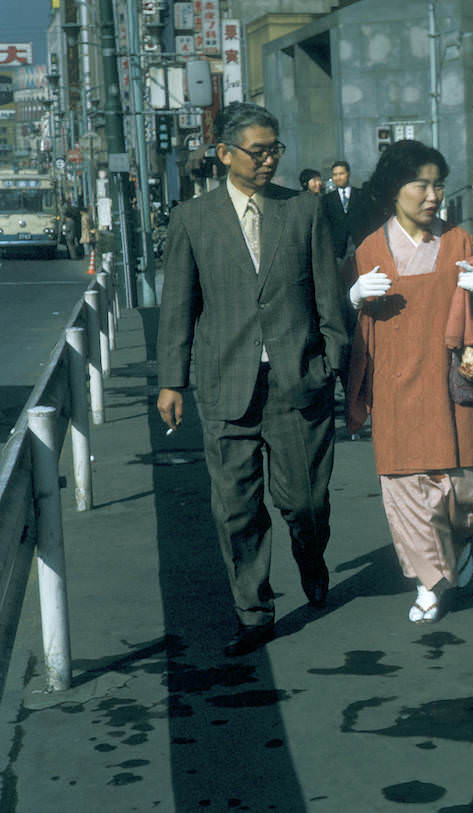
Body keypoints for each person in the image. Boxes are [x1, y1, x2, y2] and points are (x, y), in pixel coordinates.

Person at [156, 102, 349, 656]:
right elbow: (178, 307)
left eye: (275, 149)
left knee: (306, 502)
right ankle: (254, 611)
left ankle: (311, 558)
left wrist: (333, 358)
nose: (269, 160)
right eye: (258, 151)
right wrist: (173, 380)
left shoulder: (305, 210)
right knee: (236, 508)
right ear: (225, 154)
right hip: (226, 384)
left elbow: (328, 295)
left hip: (298, 381)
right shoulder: (193, 220)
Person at [342, 140, 473, 623]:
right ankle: (428, 583)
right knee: (404, 487)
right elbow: (336, 320)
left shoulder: (459, 243)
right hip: (395, 384)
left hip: (452, 383)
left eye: (438, 183)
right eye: (421, 183)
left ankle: (456, 550)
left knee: (460, 491)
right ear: (394, 190)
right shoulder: (371, 249)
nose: (433, 194)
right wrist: (352, 297)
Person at [321, 159, 360, 259]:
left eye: (341, 174)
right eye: (335, 175)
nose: (338, 177)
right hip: (337, 251)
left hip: (359, 246)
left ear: (348, 174)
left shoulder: (361, 195)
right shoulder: (326, 200)